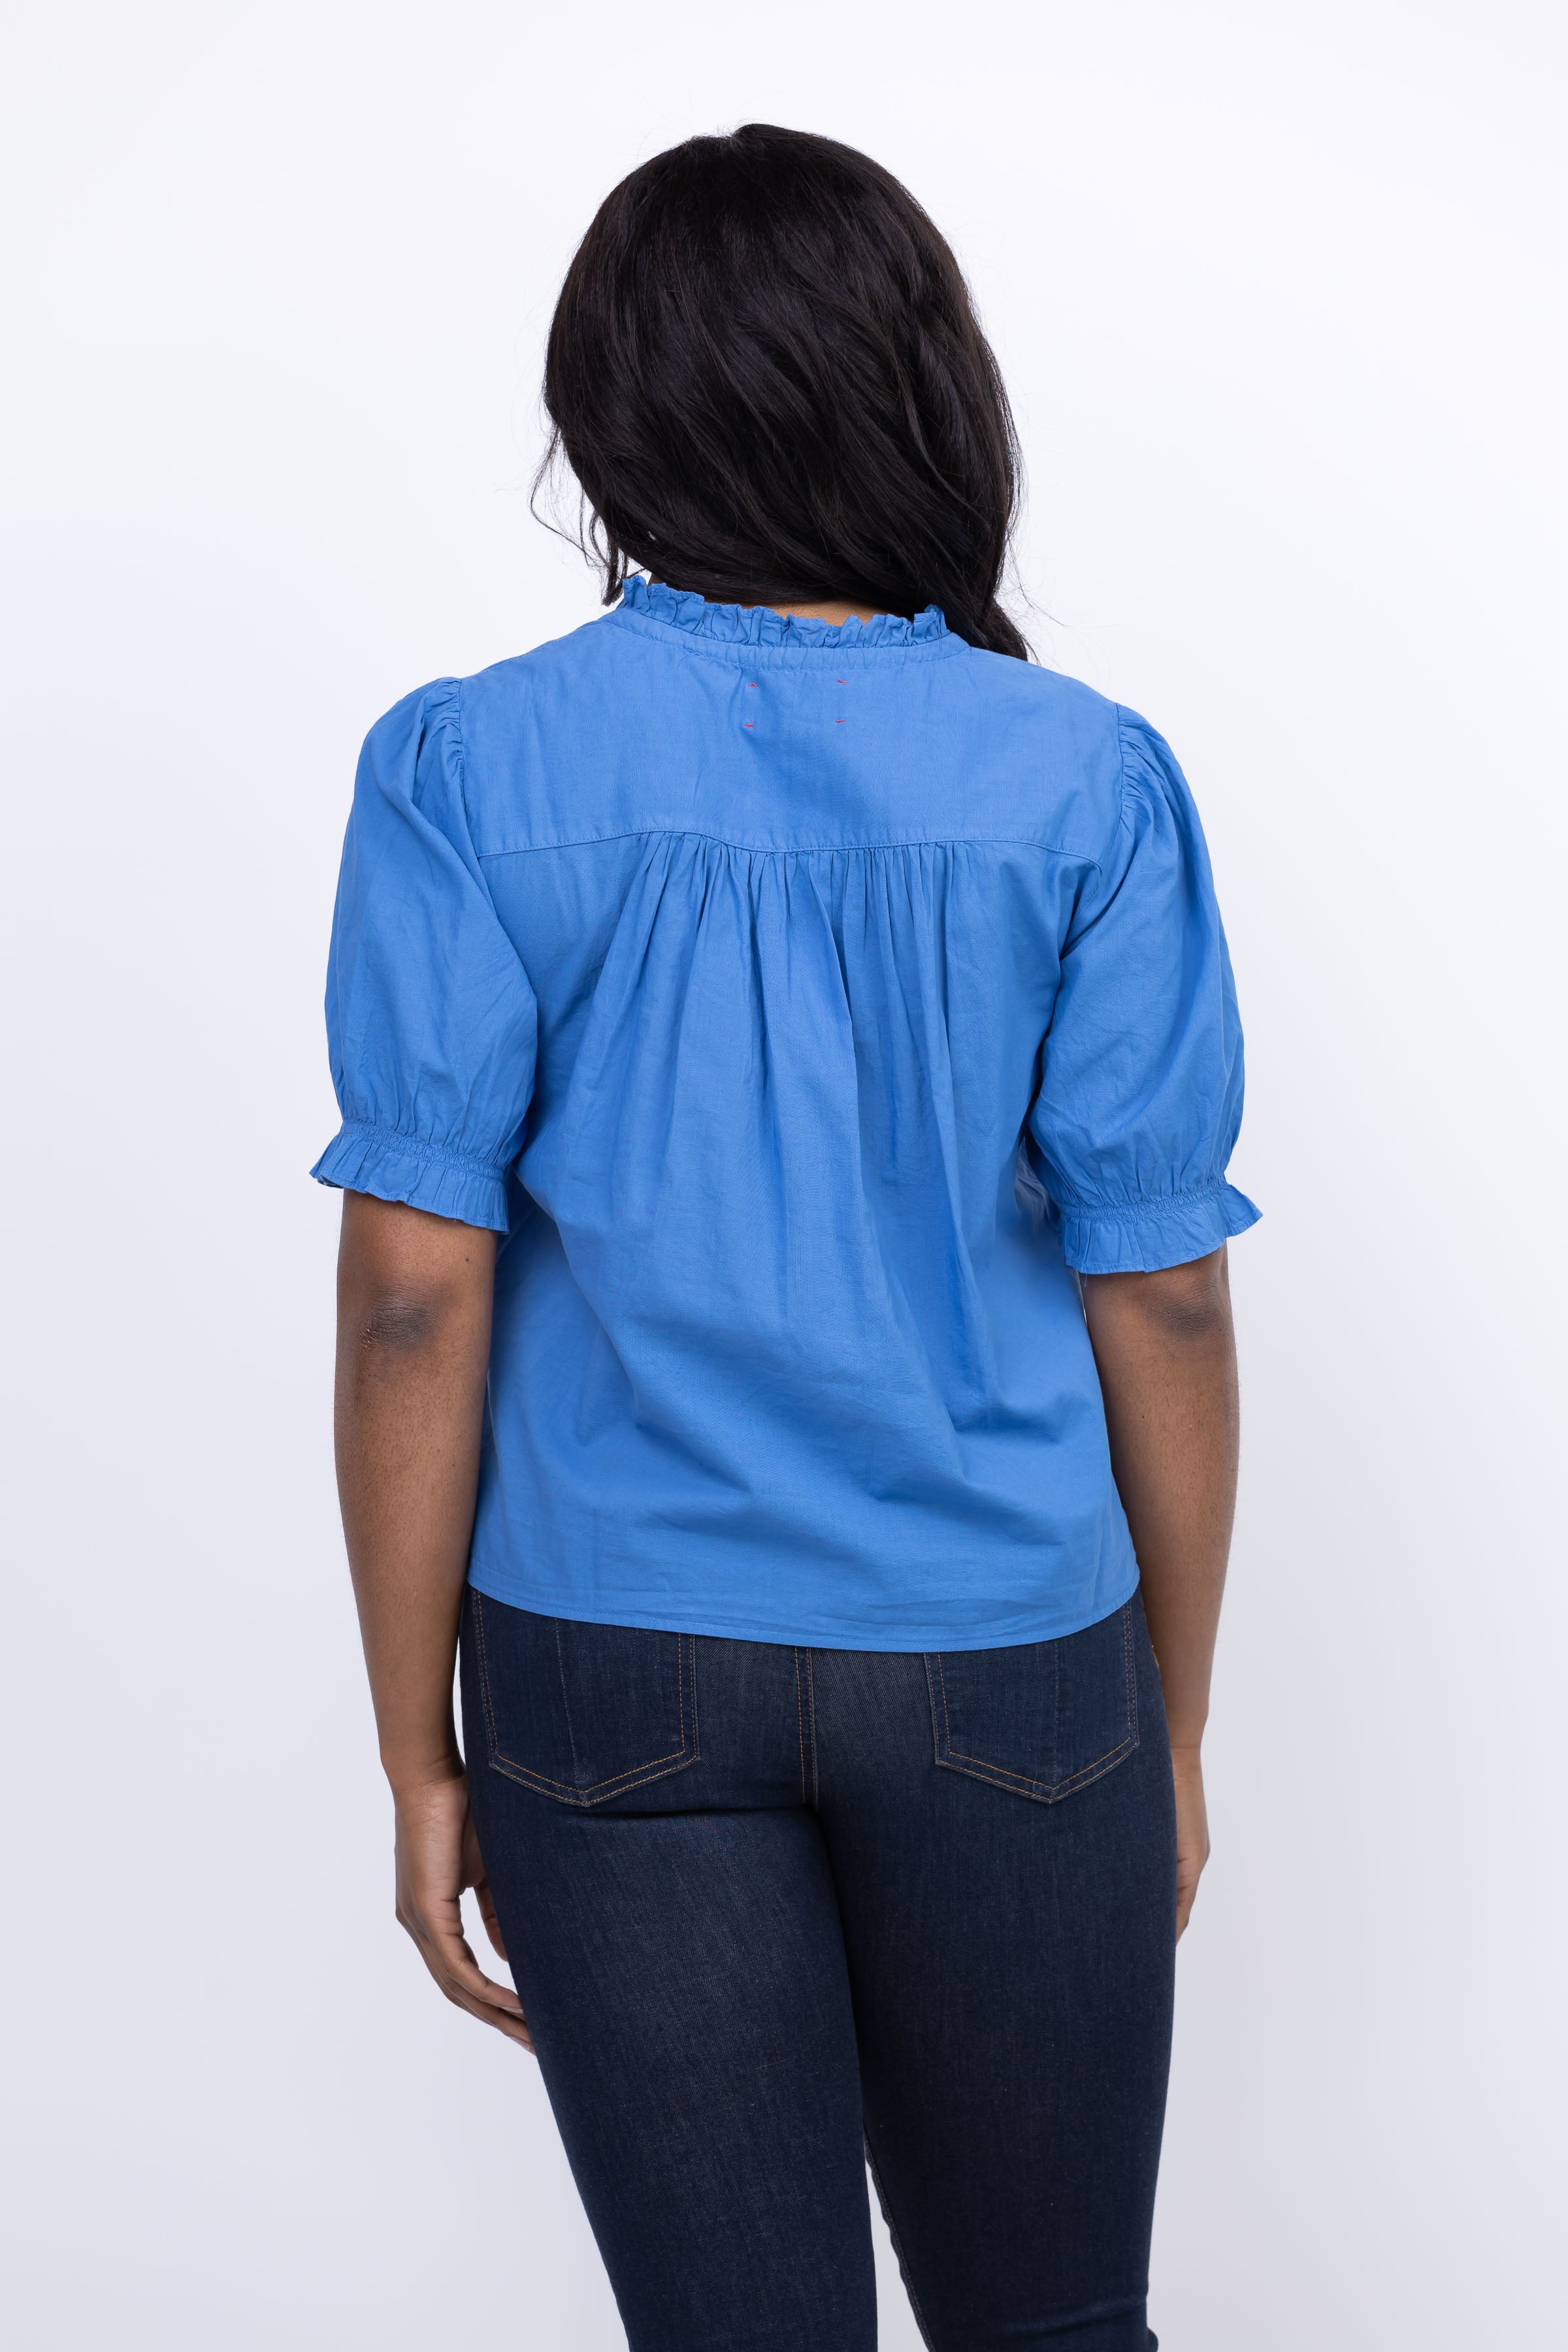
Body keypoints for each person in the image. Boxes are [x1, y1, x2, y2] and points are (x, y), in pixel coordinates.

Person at [314, 123, 1257, 2352]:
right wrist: (1170, 1720)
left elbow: (414, 1297)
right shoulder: (1084, 778)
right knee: (1057, 2330)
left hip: (603, 1661)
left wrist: (417, 1753)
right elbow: (1167, 1289)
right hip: (1013, 1656)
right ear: (927, 390)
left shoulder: (467, 769)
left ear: (611, 410)